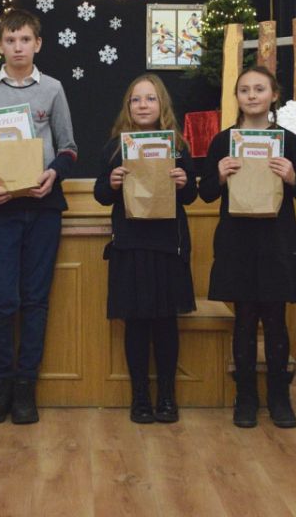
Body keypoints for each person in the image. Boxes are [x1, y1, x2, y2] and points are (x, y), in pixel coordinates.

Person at [0, 8, 77, 425]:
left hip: (44, 208)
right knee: (2, 298)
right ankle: (0, 386)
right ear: (0, 45)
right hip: (2, 210)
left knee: (34, 299)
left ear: (37, 44)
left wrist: (53, 174)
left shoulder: (53, 89)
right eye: (10, 40)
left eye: (25, 39)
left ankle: (26, 388)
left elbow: (69, 148)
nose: (18, 47)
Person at [199, 66, 296, 428]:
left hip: (277, 244)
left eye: (259, 89)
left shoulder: (288, 140)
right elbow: (205, 193)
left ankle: (280, 397)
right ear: (237, 97)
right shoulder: (223, 141)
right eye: (245, 90)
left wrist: (291, 175)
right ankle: (246, 397)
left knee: (276, 321)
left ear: (274, 95)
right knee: (245, 320)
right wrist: (219, 175)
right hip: (237, 244)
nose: (251, 95)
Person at [93, 74, 197, 423]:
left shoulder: (178, 146)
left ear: (161, 104)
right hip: (130, 245)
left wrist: (184, 182)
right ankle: (139, 397)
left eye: (150, 99)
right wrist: (111, 182)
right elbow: (101, 195)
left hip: (168, 245)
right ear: (128, 106)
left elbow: (192, 196)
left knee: (166, 324)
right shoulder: (115, 147)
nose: (142, 105)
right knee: (136, 324)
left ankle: (167, 396)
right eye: (136, 99)